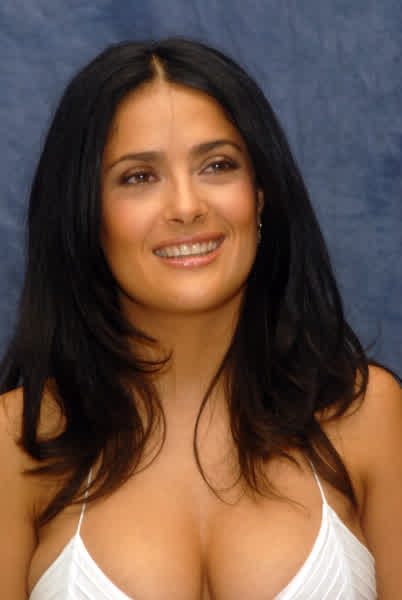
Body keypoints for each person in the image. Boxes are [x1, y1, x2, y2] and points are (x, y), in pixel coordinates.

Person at [0, 38, 401, 600]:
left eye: (217, 166)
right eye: (139, 176)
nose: (187, 207)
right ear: (85, 212)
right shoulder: (15, 442)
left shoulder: (367, 414)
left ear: (260, 194)